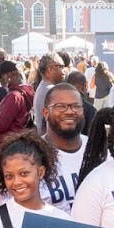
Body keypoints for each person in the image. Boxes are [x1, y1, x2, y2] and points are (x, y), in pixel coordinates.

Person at [37, 82, 88, 212]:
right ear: (46, 112)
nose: (69, 112)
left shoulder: (100, 150)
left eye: (76, 106)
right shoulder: (31, 154)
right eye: (60, 106)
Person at [0, 61, 36, 135]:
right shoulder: (26, 90)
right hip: (20, 136)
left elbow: (1, 125)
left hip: (9, 140)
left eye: (0, 77)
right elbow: (10, 115)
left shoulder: (14, 96)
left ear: (9, 76)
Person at [31, 54, 67, 138]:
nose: (64, 71)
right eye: (61, 67)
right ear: (50, 69)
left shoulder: (45, 87)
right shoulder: (51, 91)